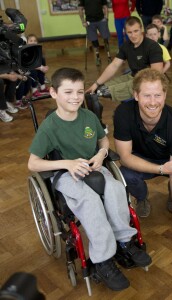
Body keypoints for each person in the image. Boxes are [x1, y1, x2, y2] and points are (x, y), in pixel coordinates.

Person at [27, 67, 151, 292]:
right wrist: (67, 163)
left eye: (79, 91)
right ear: (54, 93)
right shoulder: (49, 127)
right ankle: (102, 259)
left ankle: (124, 242)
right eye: (68, 92)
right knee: (90, 200)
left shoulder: (88, 117)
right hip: (66, 173)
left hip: (93, 166)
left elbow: (103, 142)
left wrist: (100, 154)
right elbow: (33, 163)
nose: (75, 97)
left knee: (114, 189)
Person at [113, 68, 172, 228]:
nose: (153, 102)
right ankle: (142, 197)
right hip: (140, 158)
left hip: (171, 160)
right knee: (125, 174)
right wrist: (161, 169)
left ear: (165, 95)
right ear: (136, 95)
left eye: (158, 95)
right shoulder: (123, 113)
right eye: (146, 95)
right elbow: (125, 157)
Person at [86, 16, 163, 101]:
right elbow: (114, 65)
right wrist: (95, 84)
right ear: (125, 32)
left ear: (141, 29)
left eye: (136, 31)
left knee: (104, 92)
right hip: (132, 76)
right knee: (97, 90)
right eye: (129, 32)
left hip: (146, 81)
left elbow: (156, 75)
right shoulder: (126, 46)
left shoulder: (153, 47)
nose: (133, 35)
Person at [78, 0, 110, 66]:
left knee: (105, 38)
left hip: (101, 20)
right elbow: (80, 9)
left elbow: (105, 7)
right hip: (90, 22)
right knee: (94, 41)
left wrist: (106, 18)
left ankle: (109, 56)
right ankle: (98, 57)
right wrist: (83, 21)